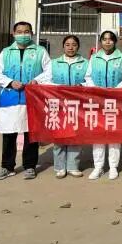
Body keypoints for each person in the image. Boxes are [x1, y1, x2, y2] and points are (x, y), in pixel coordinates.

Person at [0, 22, 51, 181]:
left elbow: (49, 71)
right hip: (10, 98)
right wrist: (10, 82)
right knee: (9, 134)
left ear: (31, 33)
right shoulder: (6, 52)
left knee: (30, 133)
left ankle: (30, 166)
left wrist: (37, 80)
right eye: (19, 31)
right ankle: (7, 166)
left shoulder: (40, 51)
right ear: (13, 33)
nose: (23, 34)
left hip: (32, 99)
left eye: (26, 31)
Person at [84, 30, 122, 181]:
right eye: (104, 39)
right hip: (97, 101)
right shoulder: (94, 58)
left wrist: (115, 90)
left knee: (113, 134)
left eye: (110, 39)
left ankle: (113, 167)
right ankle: (98, 167)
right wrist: (96, 89)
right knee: (98, 134)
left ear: (115, 41)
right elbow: (88, 77)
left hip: (115, 101)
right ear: (101, 42)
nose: (107, 42)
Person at [50, 35, 88, 179]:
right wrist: (58, 88)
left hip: (77, 104)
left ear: (78, 46)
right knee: (59, 134)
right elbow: (47, 80)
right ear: (63, 46)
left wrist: (81, 85)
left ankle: (73, 166)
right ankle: (60, 167)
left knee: (75, 134)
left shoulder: (85, 63)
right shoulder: (54, 63)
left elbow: (89, 79)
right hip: (58, 103)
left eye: (74, 45)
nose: (70, 47)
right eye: (67, 45)